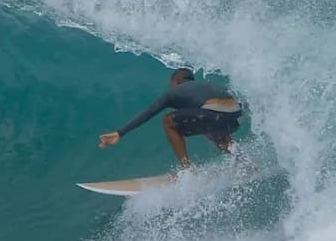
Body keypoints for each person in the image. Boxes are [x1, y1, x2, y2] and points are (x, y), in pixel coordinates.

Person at [98, 68, 242, 169]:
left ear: (175, 81)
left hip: (213, 114)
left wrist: (120, 132)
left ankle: (187, 170)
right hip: (233, 119)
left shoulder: (174, 91)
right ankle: (245, 164)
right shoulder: (208, 86)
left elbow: (148, 112)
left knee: (168, 121)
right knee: (212, 131)